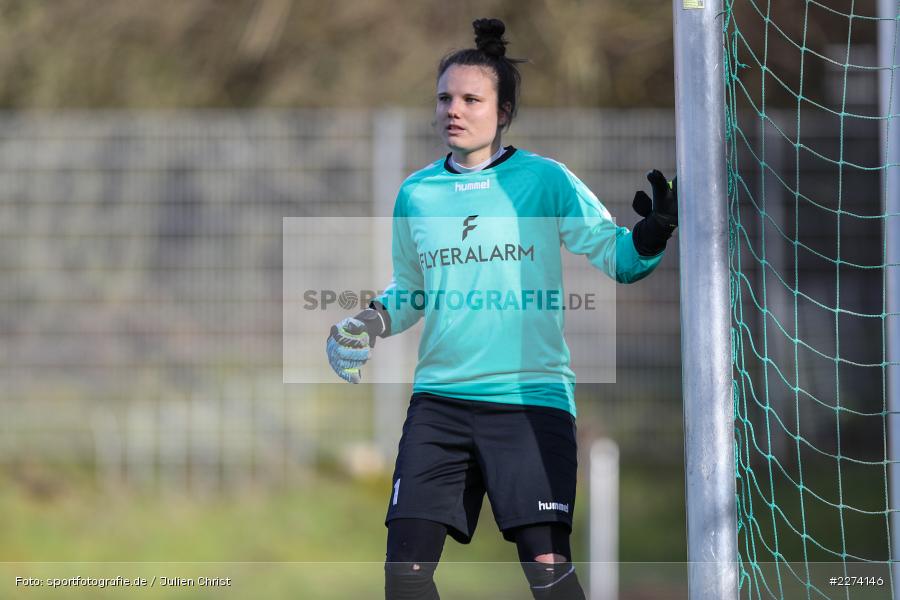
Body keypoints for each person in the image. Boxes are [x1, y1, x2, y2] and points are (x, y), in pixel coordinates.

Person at [326, 18, 677, 600]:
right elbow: (411, 290)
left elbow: (619, 258)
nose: (453, 110)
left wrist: (654, 232)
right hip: (439, 404)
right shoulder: (416, 193)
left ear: (503, 111)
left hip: (529, 404)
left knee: (546, 570)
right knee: (404, 576)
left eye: (471, 98)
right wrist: (362, 324)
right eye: (444, 98)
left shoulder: (544, 181)